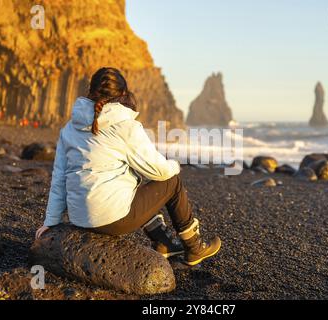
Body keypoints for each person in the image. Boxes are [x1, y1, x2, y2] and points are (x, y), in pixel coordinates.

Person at [35, 67, 221, 266]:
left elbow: (59, 178)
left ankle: (164, 243)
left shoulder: (69, 127)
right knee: (170, 181)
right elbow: (159, 170)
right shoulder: (125, 126)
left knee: (136, 180)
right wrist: (174, 165)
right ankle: (194, 247)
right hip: (111, 220)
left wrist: (51, 223)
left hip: (79, 218)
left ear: (90, 90)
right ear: (123, 94)